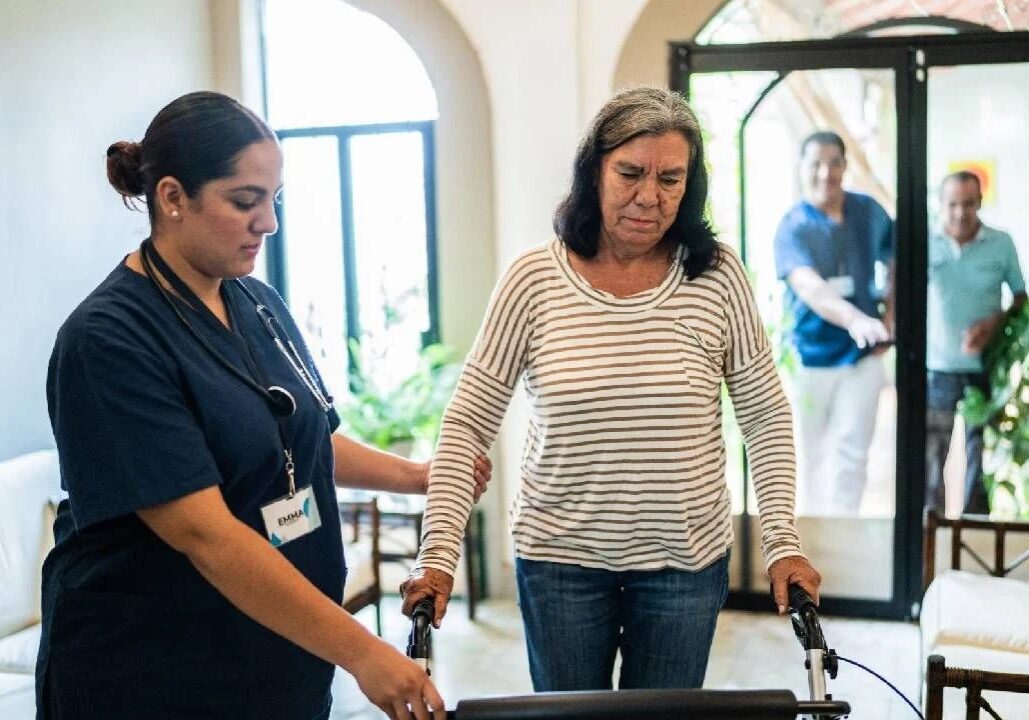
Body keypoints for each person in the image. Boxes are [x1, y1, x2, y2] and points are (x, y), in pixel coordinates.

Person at [39, 91, 491, 720]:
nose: (269, 223)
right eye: (245, 202)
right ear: (172, 198)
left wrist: (419, 477)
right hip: (157, 671)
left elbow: (300, 442)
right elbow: (208, 536)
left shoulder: (257, 303)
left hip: (276, 658)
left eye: (273, 199)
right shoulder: (108, 340)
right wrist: (362, 651)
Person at [400, 87, 821, 693]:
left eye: (671, 179)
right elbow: (468, 421)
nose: (649, 196)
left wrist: (782, 540)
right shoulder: (533, 280)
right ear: (593, 170)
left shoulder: (718, 276)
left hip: (685, 563)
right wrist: (438, 554)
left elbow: (765, 416)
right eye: (630, 172)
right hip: (559, 565)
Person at [773, 131, 894, 517]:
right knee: (812, 453)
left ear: (844, 166)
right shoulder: (793, 226)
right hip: (811, 356)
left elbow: (899, 263)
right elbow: (809, 287)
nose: (826, 173)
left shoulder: (869, 212)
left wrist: (889, 318)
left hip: (863, 355)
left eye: (834, 163)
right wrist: (857, 319)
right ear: (802, 169)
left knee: (852, 450)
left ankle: (845, 530)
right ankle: (813, 537)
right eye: (816, 164)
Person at [926, 170, 1025, 515]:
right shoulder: (926, 242)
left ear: (980, 203)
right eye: (953, 204)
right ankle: (931, 528)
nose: (960, 213)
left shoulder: (1001, 243)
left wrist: (992, 323)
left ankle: (974, 526)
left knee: (978, 453)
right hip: (936, 368)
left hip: (984, 368)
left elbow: (1020, 297)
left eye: (968, 204)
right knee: (932, 455)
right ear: (941, 204)